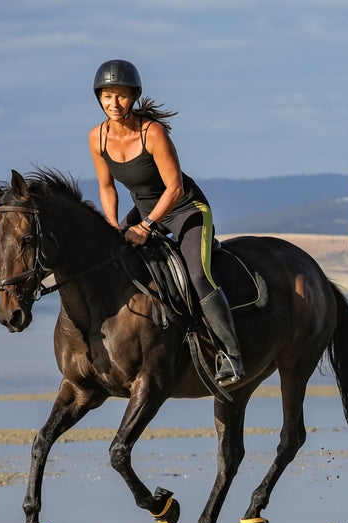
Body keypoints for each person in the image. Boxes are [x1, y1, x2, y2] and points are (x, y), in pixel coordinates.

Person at [88, 59, 244, 386]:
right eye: (107, 96)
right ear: (99, 97)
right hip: (144, 211)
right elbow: (106, 186)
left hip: (185, 209)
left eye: (121, 96)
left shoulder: (152, 133)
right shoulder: (97, 138)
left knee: (198, 275)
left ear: (134, 97)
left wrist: (145, 227)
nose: (114, 103)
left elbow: (175, 189)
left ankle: (231, 354)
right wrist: (113, 225)